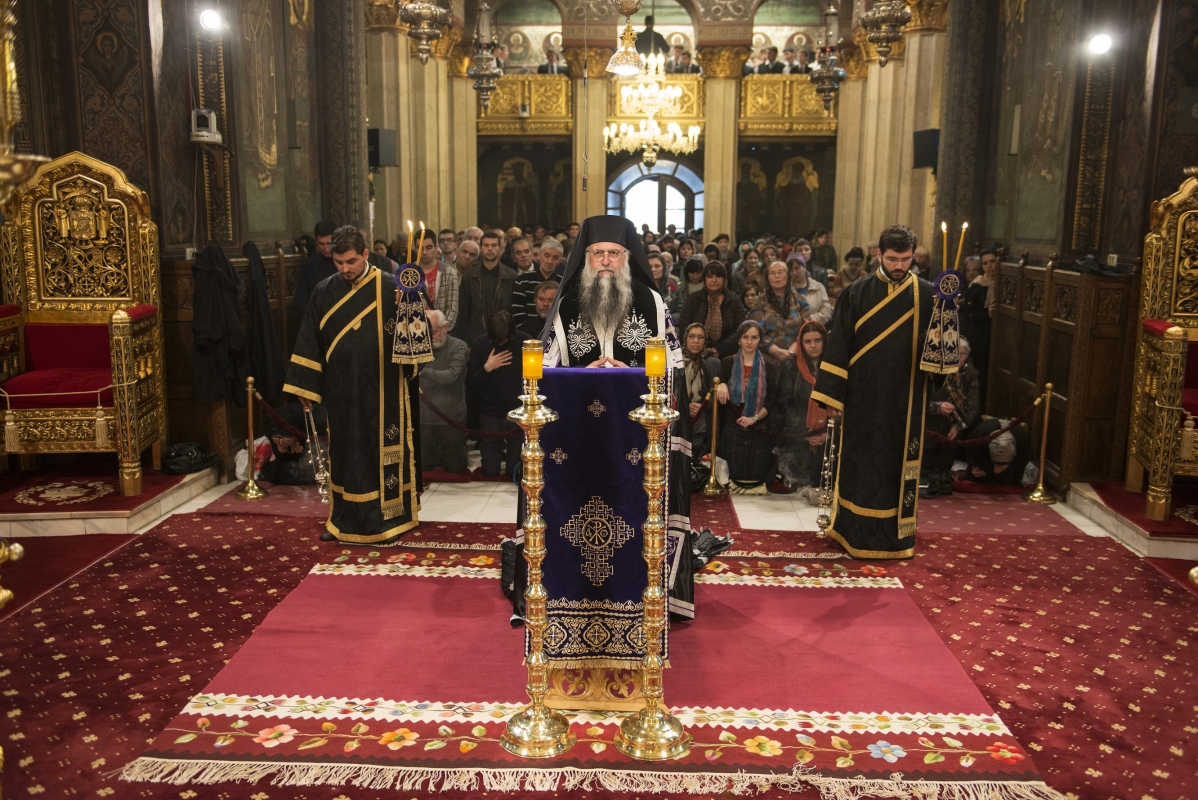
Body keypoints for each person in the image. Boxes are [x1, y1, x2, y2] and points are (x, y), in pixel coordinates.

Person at [284, 225, 423, 545]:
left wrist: (409, 308)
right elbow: (309, 339)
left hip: (385, 390)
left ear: (365, 254)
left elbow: (418, 345)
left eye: (351, 261)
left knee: (379, 454)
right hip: (341, 391)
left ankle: (390, 519)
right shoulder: (324, 291)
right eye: (338, 262)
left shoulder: (393, 287)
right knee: (345, 455)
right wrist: (305, 387)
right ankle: (342, 519)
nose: (345, 268)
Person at [812, 224, 935, 560]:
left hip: (906, 398)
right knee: (861, 464)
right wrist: (833, 397)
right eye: (893, 259)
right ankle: (852, 531)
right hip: (862, 398)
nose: (899, 266)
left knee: (895, 467)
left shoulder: (927, 295)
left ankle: (896, 537)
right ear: (879, 254)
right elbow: (839, 344)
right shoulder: (856, 293)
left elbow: (938, 355)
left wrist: (947, 323)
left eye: (906, 260)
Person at [541, 215, 681, 370]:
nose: (606, 261)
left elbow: (673, 366)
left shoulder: (653, 303)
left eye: (614, 253)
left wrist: (632, 375)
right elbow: (547, 368)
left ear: (627, 257)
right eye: (598, 253)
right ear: (586, 257)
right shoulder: (566, 306)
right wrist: (581, 374)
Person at [716, 320, 779, 491]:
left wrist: (754, 418)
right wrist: (721, 384)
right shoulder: (728, 362)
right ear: (739, 339)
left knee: (756, 475)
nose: (749, 342)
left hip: (759, 425)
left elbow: (773, 398)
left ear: (760, 340)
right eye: (745, 337)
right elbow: (719, 385)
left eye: (754, 337)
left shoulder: (769, 365)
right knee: (735, 473)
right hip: (734, 424)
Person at [919, 336, 981, 498]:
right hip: (929, 427)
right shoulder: (931, 371)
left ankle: (942, 485)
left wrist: (958, 426)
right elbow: (917, 400)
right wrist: (937, 408)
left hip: (951, 430)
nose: (958, 358)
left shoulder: (970, 375)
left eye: (962, 354)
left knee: (943, 470)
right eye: (955, 354)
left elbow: (973, 405)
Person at [467, 310, 527, 476]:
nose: (501, 344)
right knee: (490, 471)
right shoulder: (480, 343)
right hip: (490, 412)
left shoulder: (525, 341)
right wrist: (487, 367)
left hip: (518, 410)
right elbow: (472, 383)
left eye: (504, 340)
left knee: (514, 470)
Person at [775, 320, 829, 492]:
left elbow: (839, 405)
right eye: (807, 341)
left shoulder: (833, 367)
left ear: (824, 341)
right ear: (801, 343)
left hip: (828, 436)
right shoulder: (791, 366)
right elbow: (785, 405)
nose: (813, 345)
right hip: (797, 436)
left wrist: (827, 434)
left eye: (817, 340)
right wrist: (805, 433)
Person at [420, 310, 469, 475]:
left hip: (450, 418)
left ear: (445, 328)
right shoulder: (418, 347)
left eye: (433, 332)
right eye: (426, 333)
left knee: (456, 467)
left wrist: (421, 371)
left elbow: (451, 376)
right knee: (424, 466)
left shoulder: (459, 346)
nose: (429, 337)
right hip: (424, 419)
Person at [678, 262, 747, 377]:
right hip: (695, 352)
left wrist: (718, 349)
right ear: (704, 279)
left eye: (718, 276)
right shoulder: (693, 299)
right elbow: (684, 326)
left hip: (727, 354)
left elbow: (740, 330)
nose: (714, 280)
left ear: (724, 278)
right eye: (710, 276)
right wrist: (701, 349)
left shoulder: (734, 300)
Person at [454, 229, 517, 345]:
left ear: (500, 248)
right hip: (475, 338)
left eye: (494, 245)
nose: (490, 249)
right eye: (486, 245)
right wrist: (466, 343)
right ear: (480, 248)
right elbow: (463, 313)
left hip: (504, 338)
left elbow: (513, 312)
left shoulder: (511, 276)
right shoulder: (469, 276)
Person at [961, 248, 998, 406]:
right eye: (985, 263)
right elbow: (968, 313)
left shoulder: (1007, 282)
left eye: (993, 262)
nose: (990, 266)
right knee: (982, 373)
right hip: (981, 336)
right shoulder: (976, 286)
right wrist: (987, 314)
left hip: (1001, 337)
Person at [752, 261, 807, 364]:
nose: (777, 276)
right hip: (767, 356)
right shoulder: (760, 301)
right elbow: (756, 331)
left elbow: (806, 328)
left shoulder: (800, 300)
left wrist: (791, 351)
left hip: (795, 353)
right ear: (767, 278)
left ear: (788, 276)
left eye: (780, 272)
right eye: (772, 273)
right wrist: (776, 351)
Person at [682, 322, 715, 466]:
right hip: (679, 416)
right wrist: (686, 407)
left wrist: (701, 407)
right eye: (692, 336)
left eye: (700, 337)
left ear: (705, 341)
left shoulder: (711, 363)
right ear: (685, 338)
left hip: (702, 417)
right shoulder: (674, 362)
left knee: (697, 460)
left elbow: (715, 396)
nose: (696, 341)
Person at [511, 238, 563, 327]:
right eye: (547, 255)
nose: (550, 261)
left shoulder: (563, 283)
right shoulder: (522, 281)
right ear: (539, 255)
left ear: (559, 261)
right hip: (527, 332)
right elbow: (518, 314)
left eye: (555, 258)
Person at [962, 419, 1030, 486]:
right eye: (997, 463)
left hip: (1011, 465)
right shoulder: (978, 438)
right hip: (983, 454)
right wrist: (977, 468)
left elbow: (1018, 471)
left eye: (1003, 464)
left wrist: (989, 473)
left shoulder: (1022, 441)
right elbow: (971, 457)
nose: (997, 470)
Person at [294, 220, 336, 316]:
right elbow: (301, 299)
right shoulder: (308, 265)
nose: (326, 249)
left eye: (329, 244)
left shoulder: (346, 263)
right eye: (321, 244)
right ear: (316, 242)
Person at [419, 232, 459, 331]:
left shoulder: (448, 272)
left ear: (436, 248)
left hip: (442, 332)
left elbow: (452, 309)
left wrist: (441, 331)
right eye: (420, 248)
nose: (424, 252)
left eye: (428, 248)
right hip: (417, 330)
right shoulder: (409, 273)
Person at [790, 258, 833, 325]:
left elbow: (827, 311)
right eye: (791, 270)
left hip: (815, 327)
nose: (794, 272)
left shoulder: (818, 287)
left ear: (805, 267)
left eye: (797, 268)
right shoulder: (786, 290)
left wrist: (808, 320)